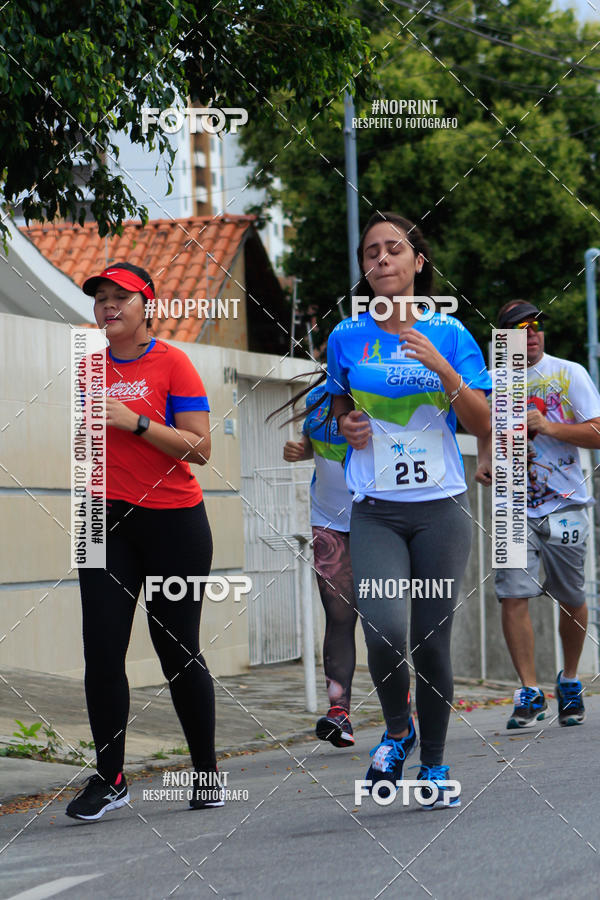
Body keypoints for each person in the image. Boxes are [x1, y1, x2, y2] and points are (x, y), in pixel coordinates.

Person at [326, 211, 492, 809]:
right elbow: (337, 413)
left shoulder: (451, 332)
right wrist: (347, 426)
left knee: (430, 640)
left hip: (440, 508)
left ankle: (436, 765)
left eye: (394, 248)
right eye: (371, 251)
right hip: (376, 509)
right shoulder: (346, 336)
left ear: (418, 262)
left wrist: (442, 368)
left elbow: (483, 423)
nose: (382, 259)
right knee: (383, 629)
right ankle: (399, 730)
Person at [66, 262, 220, 820]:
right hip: (102, 520)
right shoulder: (87, 367)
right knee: (102, 650)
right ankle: (110, 779)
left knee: (175, 648)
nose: (108, 306)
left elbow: (201, 449)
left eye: (121, 297)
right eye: (100, 298)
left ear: (146, 306)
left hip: (173, 523)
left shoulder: (173, 362)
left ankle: (206, 771)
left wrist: (135, 421)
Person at [476, 300, 600, 729]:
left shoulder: (568, 373)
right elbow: (483, 428)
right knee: (512, 595)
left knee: (571, 597)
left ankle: (569, 679)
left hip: (565, 503)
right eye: (518, 329)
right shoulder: (491, 381)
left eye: (535, 326)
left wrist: (548, 427)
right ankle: (529, 692)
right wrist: (484, 459)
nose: (530, 335)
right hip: (512, 504)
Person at [280, 372, 358, 747]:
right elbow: (315, 445)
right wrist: (301, 450)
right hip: (328, 520)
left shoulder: (377, 390)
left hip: (379, 519)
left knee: (383, 621)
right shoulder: (317, 399)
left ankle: (400, 712)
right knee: (338, 616)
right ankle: (339, 713)